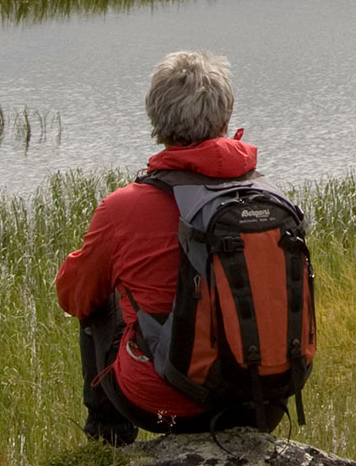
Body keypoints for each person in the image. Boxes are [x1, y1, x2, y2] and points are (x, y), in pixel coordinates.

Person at [57, 49, 277, 443]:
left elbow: (74, 297)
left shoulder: (123, 207)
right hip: (265, 398)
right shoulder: (266, 197)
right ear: (225, 117)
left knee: (98, 299)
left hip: (165, 404)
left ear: (156, 122)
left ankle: (108, 441)